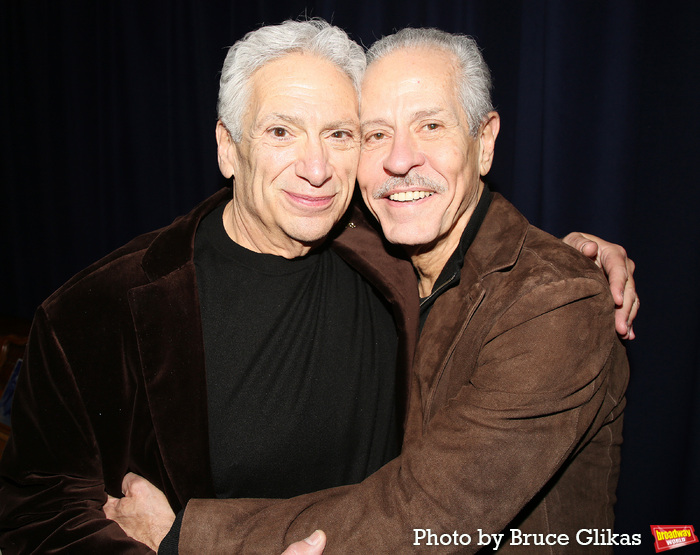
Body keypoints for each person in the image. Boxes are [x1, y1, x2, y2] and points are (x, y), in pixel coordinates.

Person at [0, 20, 635, 554]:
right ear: (228, 147)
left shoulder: (390, 258)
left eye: (339, 134)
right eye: (282, 131)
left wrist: (184, 536)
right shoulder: (94, 311)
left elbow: (426, 506)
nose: (316, 166)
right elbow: (38, 512)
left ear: (486, 139)